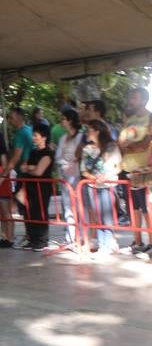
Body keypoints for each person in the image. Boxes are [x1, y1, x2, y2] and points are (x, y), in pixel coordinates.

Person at [118, 87, 152, 252]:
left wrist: (130, 147)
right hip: (127, 169)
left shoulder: (150, 117)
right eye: (131, 98)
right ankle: (137, 241)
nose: (131, 101)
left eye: (135, 98)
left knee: (147, 209)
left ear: (144, 100)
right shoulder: (128, 120)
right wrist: (130, 147)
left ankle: (151, 242)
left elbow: (145, 143)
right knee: (133, 208)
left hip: (144, 170)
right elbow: (121, 142)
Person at [81, 119, 122, 257]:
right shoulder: (87, 149)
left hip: (108, 185)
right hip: (92, 186)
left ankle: (108, 245)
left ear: (97, 131)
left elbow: (118, 166)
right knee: (97, 216)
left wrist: (107, 176)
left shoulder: (111, 147)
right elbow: (83, 170)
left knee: (107, 216)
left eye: (89, 129)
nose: (87, 132)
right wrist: (93, 178)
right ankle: (102, 244)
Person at [0, 107, 33, 247]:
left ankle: (30, 234)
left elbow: (16, 156)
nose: (9, 120)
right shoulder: (29, 130)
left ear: (19, 117)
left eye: (11, 117)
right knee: (27, 204)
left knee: (23, 203)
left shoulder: (20, 133)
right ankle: (29, 234)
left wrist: (4, 174)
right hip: (30, 171)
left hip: (24, 173)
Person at [20, 122, 54, 251]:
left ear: (44, 137)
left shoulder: (48, 153)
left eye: (36, 135)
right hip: (30, 186)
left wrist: (30, 168)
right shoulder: (33, 152)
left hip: (43, 187)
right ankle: (32, 239)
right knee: (29, 213)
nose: (33, 138)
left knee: (40, 212)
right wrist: (31, 168)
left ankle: (42, 240)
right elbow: (24, 167)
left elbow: (39, 171)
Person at [55, 107, 81, 247]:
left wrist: (69, 162)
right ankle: (71, 237)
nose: (61, 122)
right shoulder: (63, 138)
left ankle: (82, 236)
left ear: (70, 120)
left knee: (79, 207)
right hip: (65, 177)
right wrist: (65, 163)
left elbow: (78, 156)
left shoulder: (80, 136)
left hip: (77, 177)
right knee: (68, 208)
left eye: (63, 119)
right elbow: (58, 156)